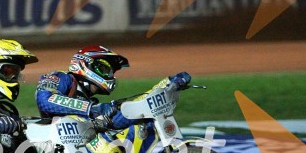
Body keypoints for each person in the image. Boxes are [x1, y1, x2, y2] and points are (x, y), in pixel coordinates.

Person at [35, 45, 192, 128]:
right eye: (104, 69)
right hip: (54, 150)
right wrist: (91, 108)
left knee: (144, 123)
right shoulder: (62, 78)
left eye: (110, 72)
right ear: (85, 64)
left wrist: (167, 84)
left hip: (83, 150)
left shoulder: (94, 103)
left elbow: (133, 110)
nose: (109, 75)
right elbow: (44, 99)